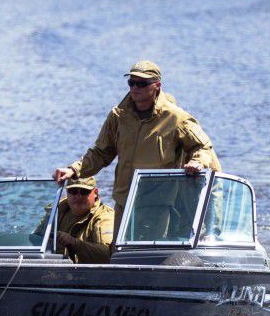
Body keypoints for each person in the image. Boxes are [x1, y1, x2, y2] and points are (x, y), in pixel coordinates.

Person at [53, 60, 221, 238]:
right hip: (124, 202)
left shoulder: (176, 117)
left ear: (157, 86)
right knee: (119, 255)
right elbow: (101, 152)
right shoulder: (118, 115)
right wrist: (73, 169)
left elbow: (203, 147)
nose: (135, 88)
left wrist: (197, 161)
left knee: (147, 255)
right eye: (131, 83)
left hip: (157, 203)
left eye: (141, 83)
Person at [53, 177, 114, 264]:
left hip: (87, 274)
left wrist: (73, 243)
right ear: (67, 193)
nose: (78, 196)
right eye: (73, 191)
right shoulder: (56, 210)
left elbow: (108, 255)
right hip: (55, 271)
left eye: (84, 192)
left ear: (95, 193)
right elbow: (37, 240)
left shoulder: (105, 216)